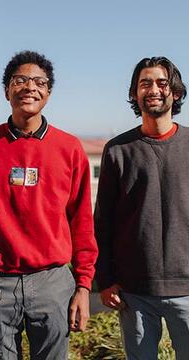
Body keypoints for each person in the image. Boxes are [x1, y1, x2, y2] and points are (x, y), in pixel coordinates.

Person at [0, 50, 98, 360]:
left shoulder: (69, 148)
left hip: (52, 282)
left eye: (39, 81)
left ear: (48, 92)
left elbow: (82, 222)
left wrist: (84, 286)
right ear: (7, 90)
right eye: (19, 80)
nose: (29, 87)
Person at [95, 56, 189, 359]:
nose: (153, 89)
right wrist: (105, 279)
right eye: (144, 83)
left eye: (162, 82)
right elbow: (103, 222)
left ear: (175, 92)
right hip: (133, 291)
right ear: (135, 94)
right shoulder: (118, 150)